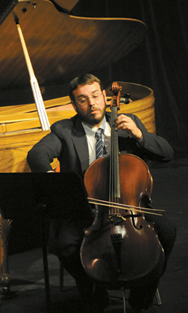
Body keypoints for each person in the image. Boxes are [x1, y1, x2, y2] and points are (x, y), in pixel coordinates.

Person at [27, 74, 176, 313]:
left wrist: (139, 135)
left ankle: (142, 293)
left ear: (105, 97)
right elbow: (37, 154)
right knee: (64, 244)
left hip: (130, 205)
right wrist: (51, 175)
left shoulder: (127, 124)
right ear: (74, 105)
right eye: (83, 99)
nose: (92, 103)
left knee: (167, 232)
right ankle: (93, 292)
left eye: (96, 96)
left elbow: (167, 153)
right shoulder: (65, 130)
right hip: (88, 210)